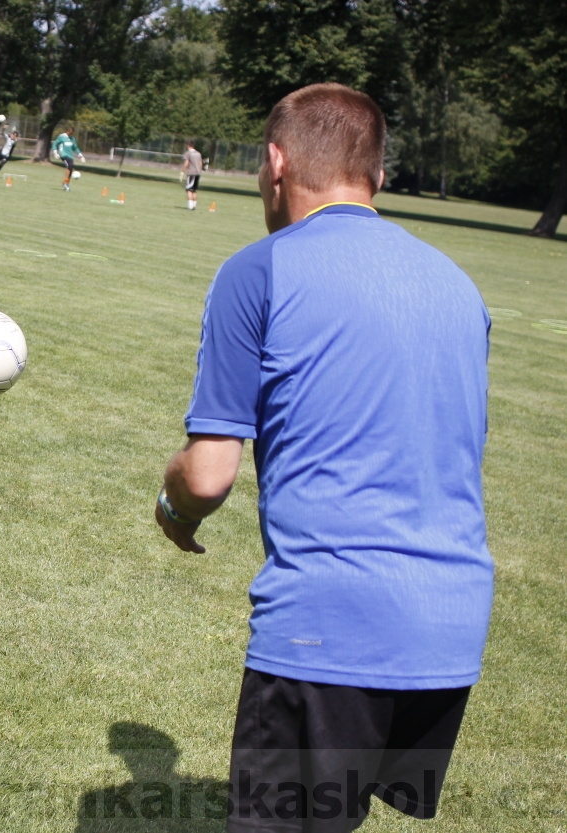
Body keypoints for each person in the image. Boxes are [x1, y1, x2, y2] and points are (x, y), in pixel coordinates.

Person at [153, 83, 492, 833]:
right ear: (375, 171)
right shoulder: (459, 286)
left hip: (330, 626)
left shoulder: (260, 269)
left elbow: (209, 474)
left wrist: (172, 506)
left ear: (274, 163)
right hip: (450, 627)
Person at [51, 127, 84, 191]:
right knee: (69, 166)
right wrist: (55, 152)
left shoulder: (72, 138)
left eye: (72, 133)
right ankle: (65, 183)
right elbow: (55, 144)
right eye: (71, 133)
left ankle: (66, 183)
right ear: (68, 131)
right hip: (63, 154)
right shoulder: (61, 136)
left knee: (71, 168)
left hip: (70, 156)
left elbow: (75, 147)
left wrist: (81, 156)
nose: (71, 134)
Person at [181, 139, 203, 210]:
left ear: (187, 145)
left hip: (191, 173)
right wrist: (199, 171)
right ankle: (194, 205)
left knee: (189, 189)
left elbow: (186, 163)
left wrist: (182, 172)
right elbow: (201, 164)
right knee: (194, 190)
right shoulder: (198, 153)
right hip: (198, 173)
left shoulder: (188, 153)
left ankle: (190, 206)